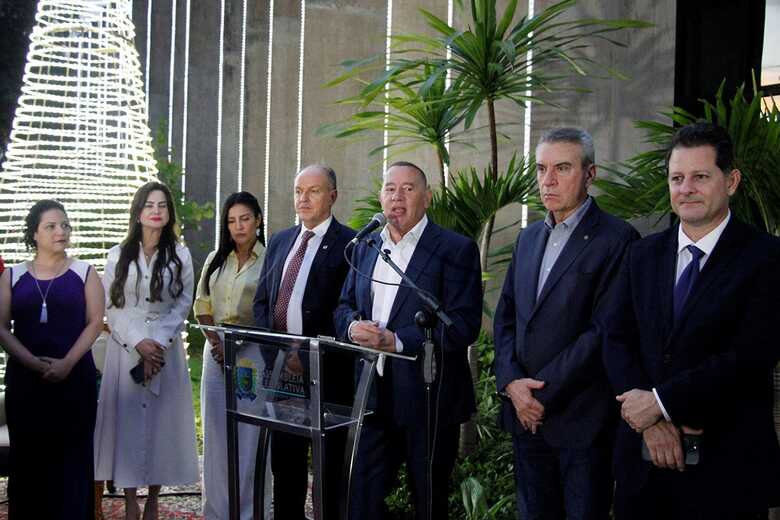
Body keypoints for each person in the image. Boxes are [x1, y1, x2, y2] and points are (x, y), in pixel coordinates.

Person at [602, 122, 780, 519]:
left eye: (700, 177)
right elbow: (616, 338)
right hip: (644, 467)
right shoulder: (642, 255)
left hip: (726, 469)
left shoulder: (767, 258)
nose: (686, 188)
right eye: (677, 178)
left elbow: (750, 357)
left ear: (731, 181)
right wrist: (647, 420)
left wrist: (662, 404)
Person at [493, 127, 639, 520]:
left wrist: (539, 395)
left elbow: (603, 332)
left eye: (562, 168)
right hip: (526, 419)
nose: (548, 180)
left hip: (582, 421)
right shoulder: (527, 240)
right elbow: (506, 316)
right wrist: (511, 383)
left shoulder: (618, 239)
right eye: (541, 169)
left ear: (590, 174)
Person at [334, 161, 482, 520]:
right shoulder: (366, 245)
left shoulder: (454, 249)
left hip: (428, 397)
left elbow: (463, 326)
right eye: (389, 189)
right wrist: (353, 328)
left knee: (428, 502)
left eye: (408, 189)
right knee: (360, 501)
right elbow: (343, 306)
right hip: (372, 394)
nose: (396, 197)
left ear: (427, 198)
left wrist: (398, 341)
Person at [252, 164, 355, 519]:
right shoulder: (280, 240)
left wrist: (309, 353)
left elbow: (346, 308)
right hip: (282, 373)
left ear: (333, 196)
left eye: (313, 191)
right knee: (286, 463)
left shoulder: (350, 244)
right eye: (298, 191)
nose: (303, 198)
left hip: (327, 373)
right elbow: (262, 302)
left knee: (328, 467)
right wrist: (279, 353)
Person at [94, 181, 199, 520]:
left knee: (159, 424)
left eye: (163, 206)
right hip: (126, 347)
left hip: (165, 349)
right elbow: (113, 306)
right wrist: (138, 342)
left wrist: (159, 343)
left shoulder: (181, 254)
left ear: (169, 214)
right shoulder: (117, 254)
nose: (156, 211)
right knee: (126, 424)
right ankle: (128, 500)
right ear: (138, 211)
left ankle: (153, 497)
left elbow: (184, 303)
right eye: (149, 205)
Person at [0, 199, 104, 519]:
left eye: (65, 225)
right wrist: (31, 362)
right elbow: (1, 328)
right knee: (29, 464)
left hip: (75, 383)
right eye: (52, 226)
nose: (61, 231)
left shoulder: (85, 273)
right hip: (26, 384)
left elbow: (95, 323)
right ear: (35, 233)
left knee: (72, 464)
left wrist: (67, 363)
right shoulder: (12, 276)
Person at [194, 191, 266, 520]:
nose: (238, 226)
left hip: (251, 354)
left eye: (245, 219)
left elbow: (266, 310)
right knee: (216, 433)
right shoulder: (215, 258)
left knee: (249, 435)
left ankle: (250, 511)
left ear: (258, 221)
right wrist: (216, 342)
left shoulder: (270, 259)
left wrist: (236, 343)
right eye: (232, 220)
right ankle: (218, 511)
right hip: (216, 353)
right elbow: (202, 305)